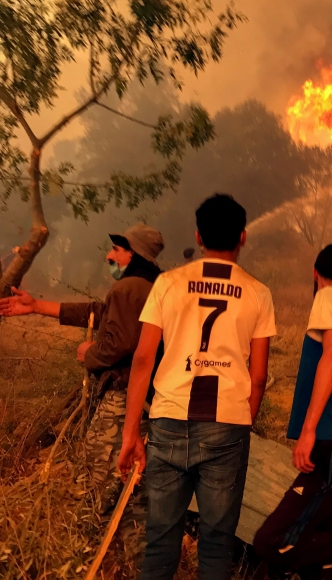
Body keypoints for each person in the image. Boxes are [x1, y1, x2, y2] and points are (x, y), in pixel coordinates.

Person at [117, 194, 276, 580]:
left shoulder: (168, 283)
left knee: (160, 543)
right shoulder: (258, 292)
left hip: (168, 419)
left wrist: (130, 433)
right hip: (227, 426)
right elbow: (259, 376)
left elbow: (142, 359)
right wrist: (242, 422)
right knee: (216, 547)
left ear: (198, 235)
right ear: (242, 237)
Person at [0, 223, 164, 566]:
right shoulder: (152, 288)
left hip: (121, 404)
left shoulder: (128, 288)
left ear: (133, 254)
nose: (110, 255)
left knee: (96, 486)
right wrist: (37, 305)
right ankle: (135, 567)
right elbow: (100, 314)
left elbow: (120, 343)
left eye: (117, 250)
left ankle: (80, 561)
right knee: (131, 495)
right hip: (148, 407)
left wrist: (91, 355)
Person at [253, 244, 332, 580]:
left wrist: (309, 431)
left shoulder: (327, 297)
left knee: (272, 540)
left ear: (315, 273)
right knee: (317, 546)